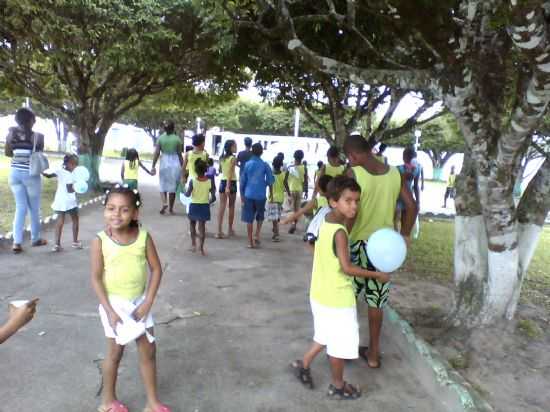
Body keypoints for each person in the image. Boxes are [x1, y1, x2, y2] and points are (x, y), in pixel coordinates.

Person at [290, 176, 390, 400]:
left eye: (356, 201)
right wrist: (377, 274)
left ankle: (303, 363)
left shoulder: (327, 219)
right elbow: (346, 267)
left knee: (325, 333)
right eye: (348, 201)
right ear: (334, 202)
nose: (354, 206)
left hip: (320, 293)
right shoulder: (340, 233)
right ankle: (337, 385)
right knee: (339, 345)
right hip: (337, 298)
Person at [90, 185, 171, 412]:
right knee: (115, 354)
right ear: (105, 211)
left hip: (139, 303)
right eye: (111, 208)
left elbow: (156, 270)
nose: (116, 214)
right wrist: (109, 311)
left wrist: (147, 302)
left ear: (135, 213)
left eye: (124, 210)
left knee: (149, 351)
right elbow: (96, 279)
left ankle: (152, 402)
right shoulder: (100, 241)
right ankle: (108, 401)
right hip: (113, 304)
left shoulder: (143, 238)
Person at [343, 134, 416, 369]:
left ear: (353, 155)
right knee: (376, 302)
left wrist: (340, 239)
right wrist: (404, 236)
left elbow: (349, 213)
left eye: (349, 157)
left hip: (357, 245)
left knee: (348, 298)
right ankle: (373, 354)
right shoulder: (395, 173)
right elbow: (412, 206)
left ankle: (344, 349)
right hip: (385, 249)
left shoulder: (354, 173)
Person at [4, 108, 48, 253]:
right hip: (31, 175)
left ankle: (16, 243)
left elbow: (8, 153)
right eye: (33, 119)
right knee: (34, 209)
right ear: (30, 120)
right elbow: (38, 155)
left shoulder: (11, 134)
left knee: (20, 208)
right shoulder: (39, 137)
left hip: (14, 174)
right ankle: (35, 239)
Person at [42, 154, 83, 252]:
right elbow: (70, 190)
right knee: (75, 220)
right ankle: (75, 242)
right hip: (70, 201)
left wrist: (42, 171)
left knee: (59, 222)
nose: (76, 166)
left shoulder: (60, 170)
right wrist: (78, 188)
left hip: (60, 200)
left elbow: (48, 175)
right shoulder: (70, 175)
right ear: (68, 164)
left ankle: (57, 244)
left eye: (77, 164)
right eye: (74, 164)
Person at [240, 143, 274, 248]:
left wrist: (242, 194)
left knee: (249, 218)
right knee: (260, 216)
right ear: (261, 152)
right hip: (260, 195)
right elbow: (270, 180)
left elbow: (242, 181)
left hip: (249, 194)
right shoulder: (264, 165)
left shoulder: (247, 164)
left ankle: (250, 242)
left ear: (252, 151)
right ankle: (257, 235)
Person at [151, 121, 183, 215]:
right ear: (173, 128)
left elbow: (157, 153)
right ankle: (171, 209)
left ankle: (164, 202)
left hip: (164, 161)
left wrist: (153, 165)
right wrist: (183, 168)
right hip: (175, 162)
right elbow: (180, 155)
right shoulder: (177, 139)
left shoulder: (160, 138)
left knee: (162, 184)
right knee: (172, 186)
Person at [185, 159, 215, 256]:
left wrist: (183, 191)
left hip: (194, 205)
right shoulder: (210, 182)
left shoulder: (192, 181)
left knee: (192, 225)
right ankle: (201, 248)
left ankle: (193, 244)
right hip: (204, 206)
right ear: (206, 170)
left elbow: (188, 194)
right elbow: (214, 197)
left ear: (195, 170)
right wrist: (208, 202)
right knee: (202, 228)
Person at [395, 147, 421, 231]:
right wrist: (417, 201)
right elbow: (416, 186)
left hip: (399, 198)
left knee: (395, 221)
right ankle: (401, 237)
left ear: (403, 158)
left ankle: (397, 238)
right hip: (408, 198)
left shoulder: (398, 169)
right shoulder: (417, 169)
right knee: (404, 224)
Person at [216, 140, 237, 239]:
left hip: (222, 182)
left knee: (222, 206)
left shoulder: (222, 158)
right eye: (234, 146)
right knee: (231, 206)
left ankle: (219, 230)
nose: (236, 147)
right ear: (231, 147)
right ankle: (229, 229)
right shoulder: (233, 158)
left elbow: (221, 170)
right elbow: (230, 173)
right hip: (231, 182)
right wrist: (228, 187)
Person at [284, 150, 308, 234]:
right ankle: (294, 223)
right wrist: (306, 191)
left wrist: (288, 192)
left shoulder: (290, 167)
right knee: (297, 209)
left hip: (291, 190)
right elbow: (305, 181)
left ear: (294, 157)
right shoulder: (304, 168)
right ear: (302, 157)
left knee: (292, 209)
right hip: (300, 190)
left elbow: (285, 181)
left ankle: (293, 224)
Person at [267, 156, 285, 242]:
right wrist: (288, 193)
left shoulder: (270, 174)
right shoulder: (283, 174)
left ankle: (276, 233)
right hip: (280, 198)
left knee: (274, 217)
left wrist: (270, 196)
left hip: (272, 198)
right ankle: (275, 229)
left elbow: (269, 185)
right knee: (277, 216)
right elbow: (285, 186)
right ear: (281, 165)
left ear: (273, 164)